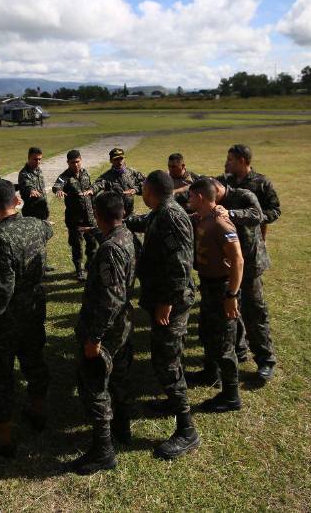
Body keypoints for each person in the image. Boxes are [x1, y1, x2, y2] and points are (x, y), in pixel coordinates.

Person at [125, 170, 200, 460]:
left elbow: (181, 264)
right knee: (163, 356)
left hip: (173, 302)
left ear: (152, 191)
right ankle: (172, 402)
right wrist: (121, 220)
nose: (141, 192)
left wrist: (167, 301)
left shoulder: (170, 217)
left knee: (167, 362)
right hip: (163, 297)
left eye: (143, 188)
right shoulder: (161, 211)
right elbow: (144, 222)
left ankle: (186, 430)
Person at [0, 180, 53, 457]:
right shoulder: (36, 225)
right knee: (34, 360)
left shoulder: (0, 238)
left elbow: (3, 287)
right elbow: (48, 229)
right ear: (16, 200)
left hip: (10, 316)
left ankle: (4, 439)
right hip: (34, 308)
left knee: (1, 375)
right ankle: (37, 411)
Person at [69, 192, 135, 475]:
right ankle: (122, 427)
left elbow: (111, 298)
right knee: (118, 377)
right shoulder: (127, 236)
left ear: (98, 213)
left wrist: (94, 338)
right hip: (121, 326)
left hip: (105, 329)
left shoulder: (110, 250)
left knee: (95, 385)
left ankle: (103, 450)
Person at [188, 178, 244, 412]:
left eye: (191, 196)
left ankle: (231, 395)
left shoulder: (221, 223)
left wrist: (231, 294)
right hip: (209, 286)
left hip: (222, 289)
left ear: (199, 197)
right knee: (209, 331)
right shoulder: (204, 217)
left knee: (224, 341)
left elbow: (238, 260)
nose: (188, 200)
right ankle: (211, 373)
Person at [214, 179, 277, 382]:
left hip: (250, 265)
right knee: (232, 309)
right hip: (230, 266)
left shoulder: (243, 195)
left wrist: (230, 213)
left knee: (254, 312)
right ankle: (239, 350)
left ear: (217, 190)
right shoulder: (217, 193)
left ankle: (265, 360)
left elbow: (257, 215)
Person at [218, 144, 281, 240]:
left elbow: (274, 210)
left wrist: (255, 217)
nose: (226, 163)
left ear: (241, 161)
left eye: (230, 160)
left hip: (251, 241)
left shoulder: (261, 183)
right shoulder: (224, 181)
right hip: (228, 237)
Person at [52, 150, 97, 281]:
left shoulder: (85, 173)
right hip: (75, 218)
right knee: (77, 245)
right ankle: (79, 270)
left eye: (77, 162)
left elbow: (89, 189)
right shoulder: (64, 176)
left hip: (89, 215)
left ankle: (90, 265)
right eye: (72, 162)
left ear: (81, 160)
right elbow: (56, 186)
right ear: (68, 163)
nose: (76, 165)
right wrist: (59, 190)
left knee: (92, 243)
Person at [91, 147, 145, 217]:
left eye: (121, 159)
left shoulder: (132, 172)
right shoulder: (107, 176)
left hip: (130, 214)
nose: (119, 162)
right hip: (114, 216)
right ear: (111, 161)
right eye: (116, 159)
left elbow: (146, 182)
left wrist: (135, 189)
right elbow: (98, 184)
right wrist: (92, 190)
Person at [17, 147, 49, 220]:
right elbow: (27, 185)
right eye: (35, 159)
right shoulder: (24, 174)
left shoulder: (38, 170)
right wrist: (31, 190)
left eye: (39, 159)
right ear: (29, 158)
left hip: (42, 210)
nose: (38, 162)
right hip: (31, 213)